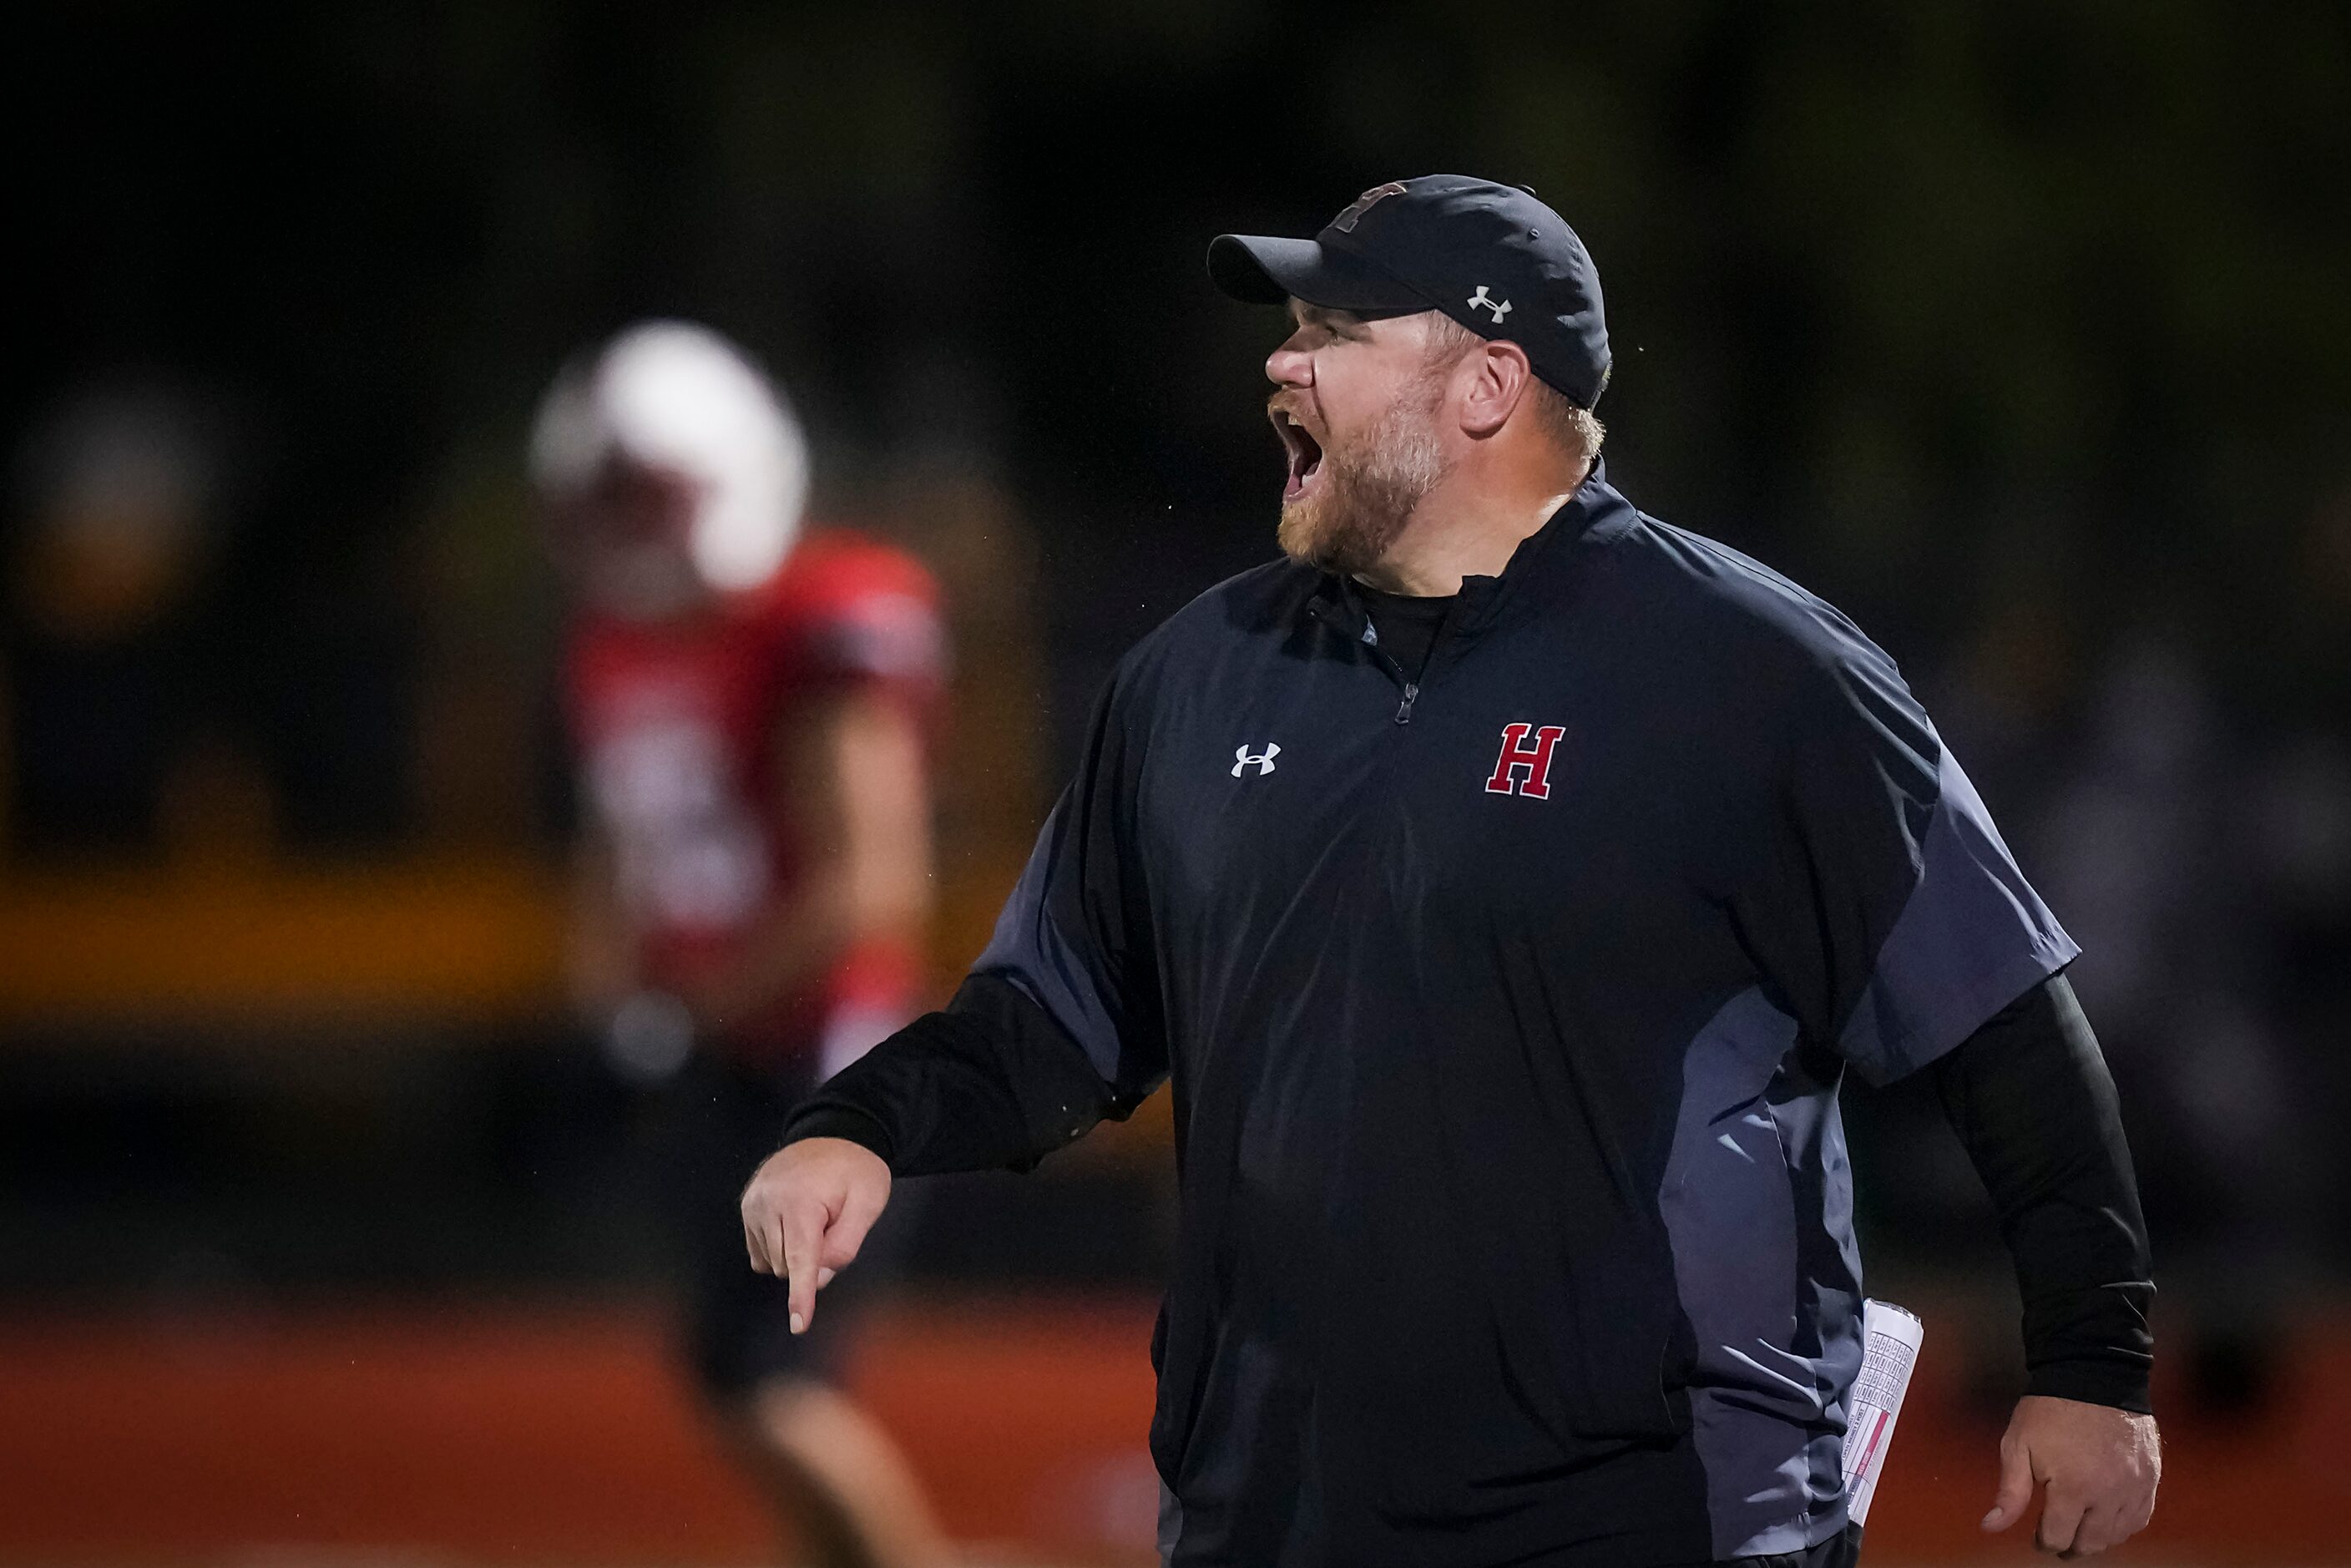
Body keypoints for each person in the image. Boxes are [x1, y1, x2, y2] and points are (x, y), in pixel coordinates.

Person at [741, 179, 2161, 1566]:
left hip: (1651, 1509)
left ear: (1487, 385)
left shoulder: (1759, 674)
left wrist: (2092, 1361)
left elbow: (2002, 1027)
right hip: (1272, 1509)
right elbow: (1054, 1024)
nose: (1282, 363)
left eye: (1338, 332)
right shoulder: (1195, 679)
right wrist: (859, 1122)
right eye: (1289, 329)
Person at [532, 321, 952, 1568]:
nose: (632, 528)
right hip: (727, 1054)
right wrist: (612, 998)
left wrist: (684, 1010)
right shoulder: (609, 638)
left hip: (829, 1055)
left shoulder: (821, 615)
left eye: (649, 495)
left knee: (767, 1378)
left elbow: (874, 882)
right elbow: (618, 848)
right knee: (739, 1373)